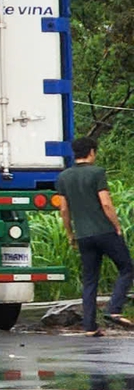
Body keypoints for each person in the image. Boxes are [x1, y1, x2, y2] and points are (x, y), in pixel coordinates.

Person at [57, 136, 131, 335]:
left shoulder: (64, 177)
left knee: (90, 279)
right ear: (91, 152)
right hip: (104, 231)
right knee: (127, 268)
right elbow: (106, 203)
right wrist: (117, 226)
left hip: (83, 236)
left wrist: (70, 233)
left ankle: (89, 327)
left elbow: (64, 210)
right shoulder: (97, 173)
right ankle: (114, 309)